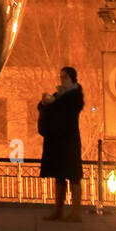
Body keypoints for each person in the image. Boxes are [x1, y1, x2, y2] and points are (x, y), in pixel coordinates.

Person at [38, 66, 85, 222]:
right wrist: (45, 102)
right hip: (57, 141)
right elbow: (50, 107)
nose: (62, 79)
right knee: (59, 176)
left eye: (65, 77)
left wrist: (53, 102)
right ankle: (58, 210)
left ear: (72, 78)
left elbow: (66, 110)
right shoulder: (59, 94)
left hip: (69, 141)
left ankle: (75, 212)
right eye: (61, 76)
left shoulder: (75, 96)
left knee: (73, 176)